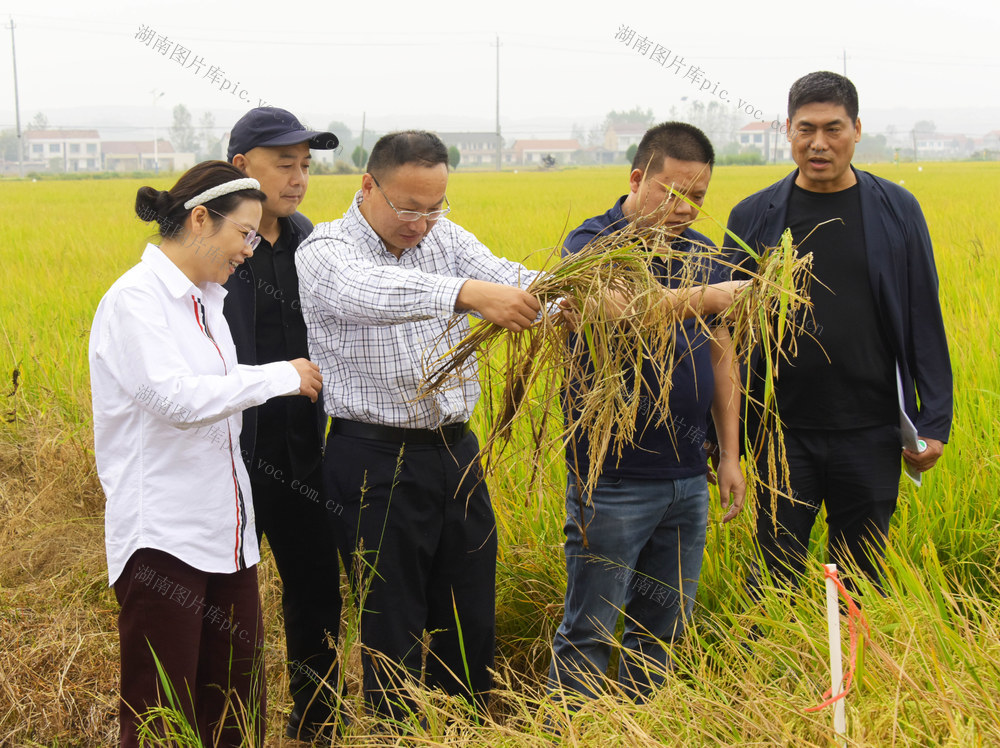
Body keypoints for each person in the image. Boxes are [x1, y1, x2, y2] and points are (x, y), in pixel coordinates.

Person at [295, 130, 541, 721]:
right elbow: (369, 293)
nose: (421, 223)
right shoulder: (326, 250)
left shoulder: (446, 238)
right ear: (368, 186)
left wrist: (586, 299)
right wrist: (469, 294)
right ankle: (396, 731)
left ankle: (464, 725)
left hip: (455, 453)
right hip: (374, 461)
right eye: (408, 208)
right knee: (392, 615)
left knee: (468, 607)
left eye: (435, 207)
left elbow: (514, 281)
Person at [89, 160, 323, 747]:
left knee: (236, 709)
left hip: (228, 536)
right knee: (162, 716)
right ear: (199, 220)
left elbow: (217, 394)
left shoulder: (208, 301)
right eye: (244, 233)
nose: (249, 250)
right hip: (163, 538)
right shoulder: (135, 301)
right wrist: (279, 376)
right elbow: (175, 399)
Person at [724, 71, 952, 592]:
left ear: (857, 130)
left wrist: (934, 419)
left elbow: (923, 315)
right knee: (775, 574)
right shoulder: (754, 215)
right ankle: (775, 648)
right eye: (806, 129)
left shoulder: (897, 210)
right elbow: (723, 334)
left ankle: (854, 650)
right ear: (788, 130)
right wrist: (724, 439)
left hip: (872, 429)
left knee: (861, 577)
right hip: (781, 431)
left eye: (833, 128)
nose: (819, 143)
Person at [547, 122, 746, 703]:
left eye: (698, 198)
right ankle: (574, 731)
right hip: (613, 478)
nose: (685, 209)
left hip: (687, 474)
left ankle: (645, 723)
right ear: (638, 179)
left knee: (662, 628)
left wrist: (729, 455)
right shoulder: (593, 242)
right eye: (674, 193)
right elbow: (618, 308)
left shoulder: (702, 254)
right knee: (590, 628)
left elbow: (722, 356)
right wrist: (708, 296)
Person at [223, 106, 345, 741]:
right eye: (283, 165)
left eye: (305, 166)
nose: (298, 179)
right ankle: (231, 727)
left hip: (303, 452)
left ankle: (317, 722)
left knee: (317, 590)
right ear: (241, 167)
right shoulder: (218, 246)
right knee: (228, 604)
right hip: (229, 456)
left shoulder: (311, 243)